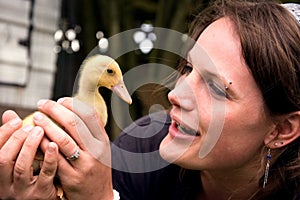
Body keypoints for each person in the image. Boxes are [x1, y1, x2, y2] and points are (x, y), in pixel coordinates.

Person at [0, 0, 300, 199]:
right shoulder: (143, 145)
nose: (175, 94)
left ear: (281, 130)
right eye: (187, 68)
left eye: (216, 88)